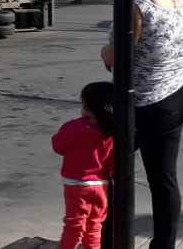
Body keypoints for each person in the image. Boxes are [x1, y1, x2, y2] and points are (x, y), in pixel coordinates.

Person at [100, 0, 183, 249]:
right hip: (179, 94)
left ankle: (109, 240)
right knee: (164, 177)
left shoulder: (138, 4)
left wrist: (105, 52)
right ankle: (164, 244)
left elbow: (116, 56)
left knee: (110, 172)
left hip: (142, 103)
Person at [52, 81, 115, 249]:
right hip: (101, 185)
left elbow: (58, 146)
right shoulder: (111, 133)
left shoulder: (73, 127)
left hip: (77, 185)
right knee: (94, 225)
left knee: (74, 224)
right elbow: (114, 163)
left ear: (87, 106)